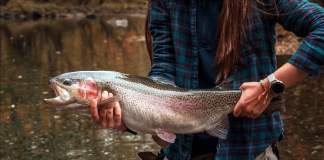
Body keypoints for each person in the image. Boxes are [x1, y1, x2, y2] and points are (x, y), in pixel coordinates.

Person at [90, 0, 324, 159]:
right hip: (181, 152)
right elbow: (162, 73)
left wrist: (270, 87)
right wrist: (126, 119)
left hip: (251, 150)